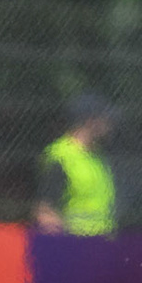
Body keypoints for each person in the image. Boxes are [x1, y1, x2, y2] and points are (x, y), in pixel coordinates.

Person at [36, 93, 117, 236]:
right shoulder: (61, 156)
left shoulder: (98, 157)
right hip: (76, 248)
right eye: (105, 119)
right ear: (90, 121)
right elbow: (46, 212)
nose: (110, 124)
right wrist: (68, 246)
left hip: (101, 247)